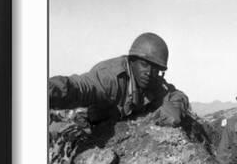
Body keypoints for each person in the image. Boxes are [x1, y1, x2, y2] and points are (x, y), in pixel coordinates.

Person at [48, 32, 189, 127]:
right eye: (144, 65)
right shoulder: (110, 78)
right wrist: (50, 90)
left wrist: (174, 107)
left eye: (155, 69)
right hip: (82, 124)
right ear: (132, 60)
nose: (149, 73)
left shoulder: (153, 82)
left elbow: (177, 96)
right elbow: (79, 87)